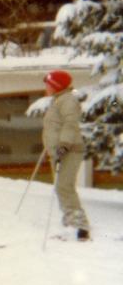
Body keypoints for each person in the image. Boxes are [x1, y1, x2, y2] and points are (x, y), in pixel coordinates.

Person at [42, 69, 90, 240]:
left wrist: (63, 145)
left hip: (69, 150)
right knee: (61, 187)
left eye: (48, 84)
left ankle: (80, 226)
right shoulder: (58, 100)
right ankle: (70, 223)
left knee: (64, 186)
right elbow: (55, 125)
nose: (46, 87)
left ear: (56, 85)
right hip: (59, 151)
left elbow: (70, 124)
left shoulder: (67, 100)